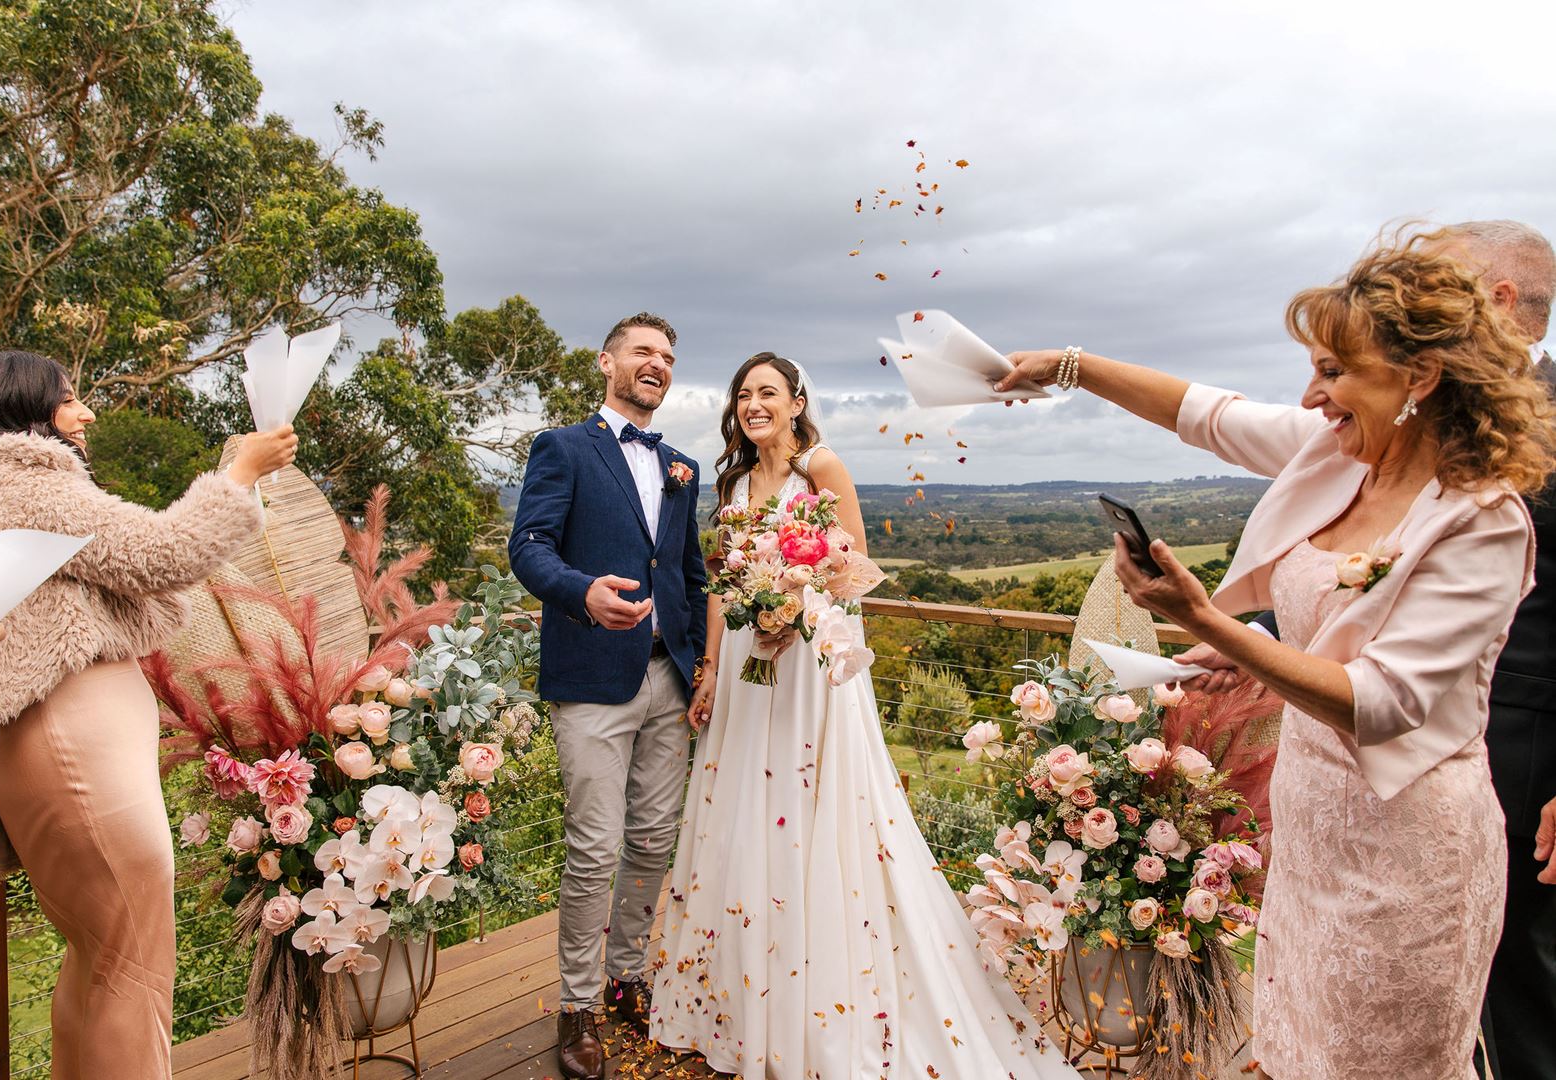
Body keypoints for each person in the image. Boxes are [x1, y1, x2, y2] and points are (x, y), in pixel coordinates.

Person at [994, 230, 1555, 1080]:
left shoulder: (1482, 517)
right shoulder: (1333, 459)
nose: (1313, 393)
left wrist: (1211, 627)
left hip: (1408, 848)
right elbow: (1207, 414)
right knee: (1295, 1051)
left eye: (1334, 370)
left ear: (1420, 378)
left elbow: (1384, 700)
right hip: (1312, 824)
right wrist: (1070, 366)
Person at [648, 352, 1078, 1079]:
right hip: (750, 672)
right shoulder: (731, 482)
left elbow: (855, 571)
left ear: (796, 401)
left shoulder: (824, 468)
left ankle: (820, 1009)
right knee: (743, 810)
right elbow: (720, 586)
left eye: (767, 393)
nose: (754, 405)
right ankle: (740, 999)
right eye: (744, 395)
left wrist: (796, 605)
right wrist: (713, 667)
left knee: (810, 808)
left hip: (811, 666)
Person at [0, 348, 296, 1079]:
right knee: (131, 965)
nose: (86, 412)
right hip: (73, 755)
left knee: (103, 962)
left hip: (61, 754)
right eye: (68, 398)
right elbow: (163, 551)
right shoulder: (20, 482)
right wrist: (242, 473)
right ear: (21, 408)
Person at [508, 312, 708, 1080]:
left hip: (669, 679)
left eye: (667, 354)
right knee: (595, 848)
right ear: (607, 362)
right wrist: (581, 593)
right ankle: (577, 1005)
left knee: (655, 841)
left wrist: (705, 667)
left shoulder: (683, 467)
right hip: (591, 676)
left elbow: (688, 575)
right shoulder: (563, 446)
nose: (656, 363)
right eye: (643, 352)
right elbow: (529, 547)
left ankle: (628, 975)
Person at [1433, 220, 1556, 1080]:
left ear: (1500, 301)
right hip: (1453, 738)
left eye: (1442, 286)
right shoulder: (1460, 415)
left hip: (1532, 744)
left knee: (1523, 985)